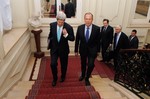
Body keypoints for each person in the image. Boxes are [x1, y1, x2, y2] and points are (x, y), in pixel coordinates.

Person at [47, 11, 75, 86]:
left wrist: (66, 35)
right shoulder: (52, 25)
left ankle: (63, 76)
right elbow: (50, 35)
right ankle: (55, 78)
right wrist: (50, 41)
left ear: (64, 21)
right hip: (54, 49)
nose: (60, 23)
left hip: (64, 50)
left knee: (64, 65)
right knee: (53, 64)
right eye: (59, 22)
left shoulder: (68, 27)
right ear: (57, 20)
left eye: (62, 22)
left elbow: (72, 38)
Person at [74, 12, 100, 86]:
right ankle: (82, 75)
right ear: (84, 19)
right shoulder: (80, 27)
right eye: (86, 19)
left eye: (89, 19)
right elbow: (77, 40)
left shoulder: (97, 28)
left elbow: (98, 41)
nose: (88, 20)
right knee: (83, 63)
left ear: (92, 20)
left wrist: (98, 50)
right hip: (83, 49)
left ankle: (87, 77)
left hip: (92, 50)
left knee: (91, 65)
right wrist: (76, 50)